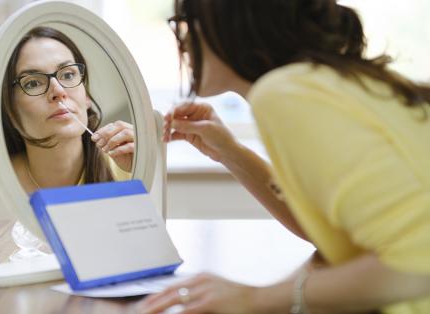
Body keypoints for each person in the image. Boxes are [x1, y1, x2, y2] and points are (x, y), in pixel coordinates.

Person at [138, 1, 430, 313]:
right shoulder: (332, 81)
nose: (181, 40)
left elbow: (419, 263)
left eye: (184, 21)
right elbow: (325, 231)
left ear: (232, 22)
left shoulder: (285, 93)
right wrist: (229, 151)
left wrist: (255, 299)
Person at [1, 26, 134, 194]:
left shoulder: (126, 167)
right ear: (12, 111)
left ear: (86, 96)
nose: (58, 91)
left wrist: (145, 164)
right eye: (33, 83)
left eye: (68, 75)